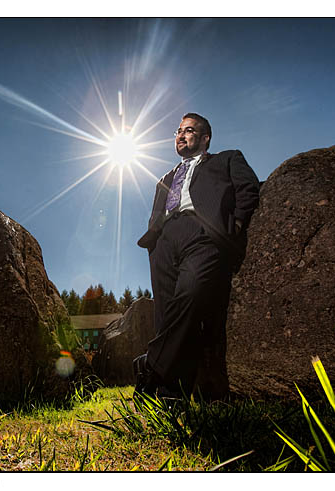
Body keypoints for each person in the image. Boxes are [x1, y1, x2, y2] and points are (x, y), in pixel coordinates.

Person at [134, 112, 260, 400]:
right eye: (178, 131)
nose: (180, 135)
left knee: (190, 298)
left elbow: (249, 188)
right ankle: (170, 397)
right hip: (164, 241)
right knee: (166, 317)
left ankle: (149, 363)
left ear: (204, 138)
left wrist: (236, 224)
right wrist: (155, 240)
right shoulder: (164, 178)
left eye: (188, 130)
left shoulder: (226, 159)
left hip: (203, 234)